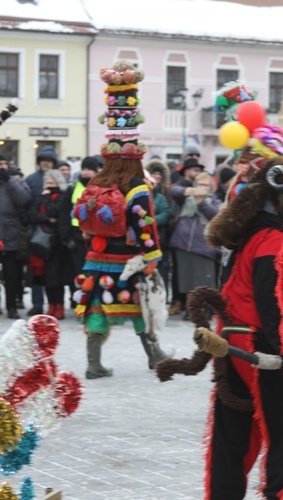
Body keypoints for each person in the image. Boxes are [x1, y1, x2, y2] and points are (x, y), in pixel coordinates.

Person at [162, 156, 283, 499]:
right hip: (263, 352)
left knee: (232, 438)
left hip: (233, 348)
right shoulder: (273, 239)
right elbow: (275, 303)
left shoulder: (249, 237)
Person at [73, 60, 167, 379]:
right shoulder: (136, 185)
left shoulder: (98, 181)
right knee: (140, 306)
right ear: (136, 155)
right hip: (128, 258)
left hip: (98, 257)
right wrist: (153, 255)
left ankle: (93, 362)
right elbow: (145, 225)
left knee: (98, 306)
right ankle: (154, 355)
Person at [169, 170, 221, 319]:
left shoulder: (215, 200)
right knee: (187, 280)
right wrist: (188, 191)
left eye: (205, 185)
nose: (202, 187)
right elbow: (174, 191)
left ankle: (204, 310)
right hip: (183, 244)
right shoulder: (186, 198)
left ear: (210, 187)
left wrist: (201, 202)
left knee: (204, 281)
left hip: (204, 247)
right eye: (199, 184)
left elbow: (215, 216)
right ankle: (191, 309)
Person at [60, 156, 101, 310]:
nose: (86, 172)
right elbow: (64, 214)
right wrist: (66, 237)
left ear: (96, 171)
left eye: (89, 169)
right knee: (78, 271)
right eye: (84, 169)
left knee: (94, 271)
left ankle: (94, 301)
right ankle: (79, 301)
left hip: (96, 236)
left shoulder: (101, 188)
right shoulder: (73, 188)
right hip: (77, 236)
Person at [28, 170, 69, 319]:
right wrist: (47, 218)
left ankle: (59, 306)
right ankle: (51, 305)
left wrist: (46, 201)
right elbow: (32, 215)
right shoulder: (42, 197)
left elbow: (56, 212)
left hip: (56, 241)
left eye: (52, 183)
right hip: (42, 241)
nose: (49, 186)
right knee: (45, 277)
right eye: (48, 183)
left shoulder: (61, 197)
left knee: (56, 276)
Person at [25, 145, 58, 315]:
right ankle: (37, 304)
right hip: (36, 230)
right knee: (36, 270)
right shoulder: (31, 179)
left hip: (54, 233)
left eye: (49, 160)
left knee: (52, 271)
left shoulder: (59, 179)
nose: (46, 163)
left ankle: (54, 304)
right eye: (43, 160)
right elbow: (28, 205)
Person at [0, 156, 31, 319]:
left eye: (5, 164)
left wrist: (9, 181)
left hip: (9, 233)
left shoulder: (14, 181)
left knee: (11, 275)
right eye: (0, 165)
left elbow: (24, 199)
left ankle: (12, 306)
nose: (3, 167)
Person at [146, 159, 172, 291]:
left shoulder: (161, 195)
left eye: (159, 174)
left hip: (160, 236)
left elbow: (167, 212)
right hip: (144, 236)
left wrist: (152, 220)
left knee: (161, 267)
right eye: (154, 174)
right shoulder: (143, 193)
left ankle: (162, 291)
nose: (157, 177)